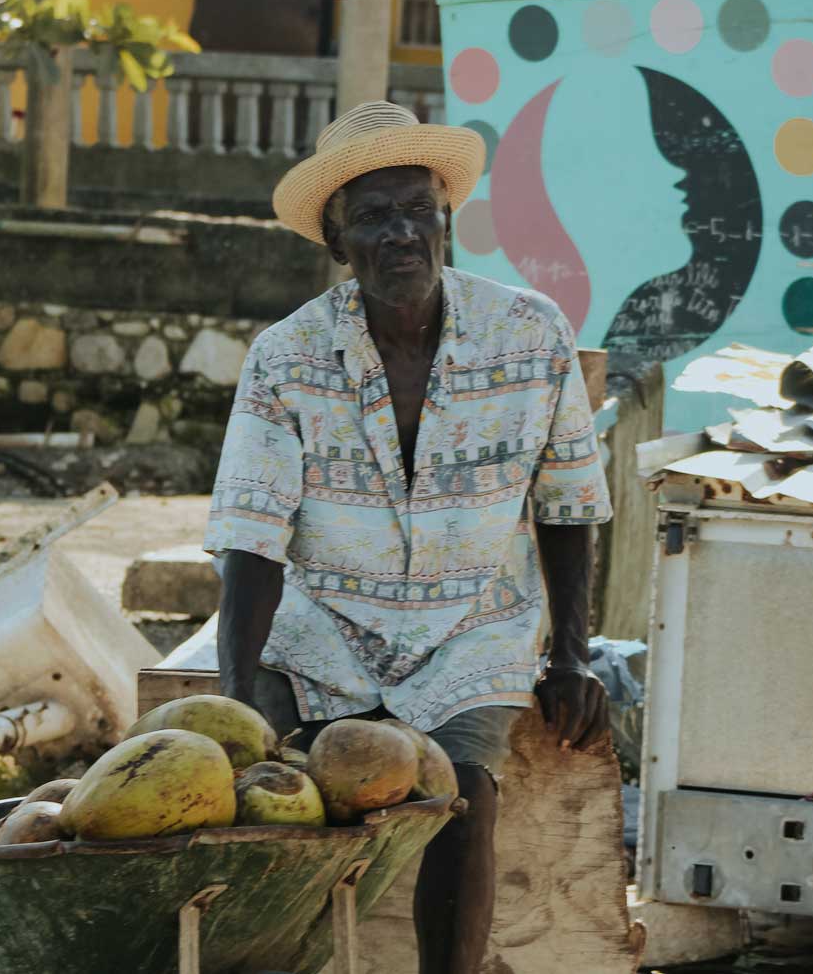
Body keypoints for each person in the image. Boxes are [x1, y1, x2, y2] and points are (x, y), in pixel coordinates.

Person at [206, 101, 613, 974]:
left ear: (446, 219)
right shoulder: (286, 358)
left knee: (459, 796)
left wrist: (572, 658)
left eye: (416, 210)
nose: (400, 234)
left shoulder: (531, 333)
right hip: (325, 630)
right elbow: (250, 537)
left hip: (473, 629)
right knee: (274, 799)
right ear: (337, 243)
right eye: (373, 217)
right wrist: (239, 698)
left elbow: (570, 505)